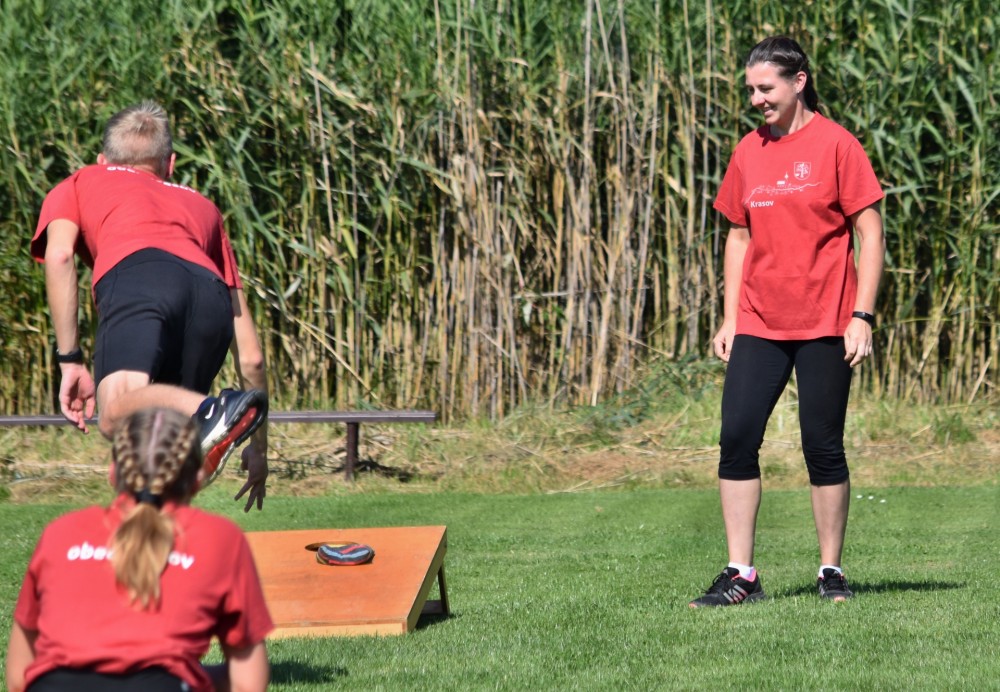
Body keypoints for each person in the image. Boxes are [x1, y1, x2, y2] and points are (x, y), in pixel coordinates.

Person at [689, 36, 885, 607]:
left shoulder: (838, 145)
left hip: (827, 320)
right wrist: (729, 317)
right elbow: (738, 237)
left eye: (765, 88)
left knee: (822, 445)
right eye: (751, 89)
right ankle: (741, 575)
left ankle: (831, 572)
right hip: (758, 321)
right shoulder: (748, 151)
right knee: (736, 437)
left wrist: (862, 315)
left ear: (799, 82)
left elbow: (870, 233)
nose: (756, 99)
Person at [30, 101, 269, 511]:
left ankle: (212, 410)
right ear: (170, 165)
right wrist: (259, 449)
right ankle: (152, 546)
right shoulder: (204, 208)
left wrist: (70, 361)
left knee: (114, 413)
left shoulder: (82, 180)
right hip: (209, 296)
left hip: (140, 277)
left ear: (103, 160)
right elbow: (252, 358)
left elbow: (60, 255)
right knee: (155, 454)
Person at [5, 408, 273, 692]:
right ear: (197, 478)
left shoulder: (60, 534)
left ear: (113, 473)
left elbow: (20, 676)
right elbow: (247, 682)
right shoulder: (220, 539)